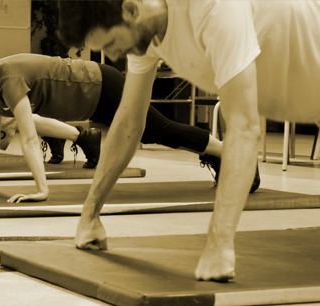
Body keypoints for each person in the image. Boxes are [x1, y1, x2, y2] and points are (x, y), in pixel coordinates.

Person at [57, 0, 320, 282]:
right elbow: (129, 121)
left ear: (131, 9)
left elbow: (243, 128)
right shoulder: (143, 34)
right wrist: (90, 214)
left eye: (110, 42)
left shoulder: (212, 7)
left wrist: (220, 244)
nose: (111, 54)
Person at [0, 52, 256, 203]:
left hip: (103, 85)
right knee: (155, 135)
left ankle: (235, 155)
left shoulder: (6, 79)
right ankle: (222, 155)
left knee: (162, 132)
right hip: (92, 101)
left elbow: (30, 137)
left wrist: (42, 189)